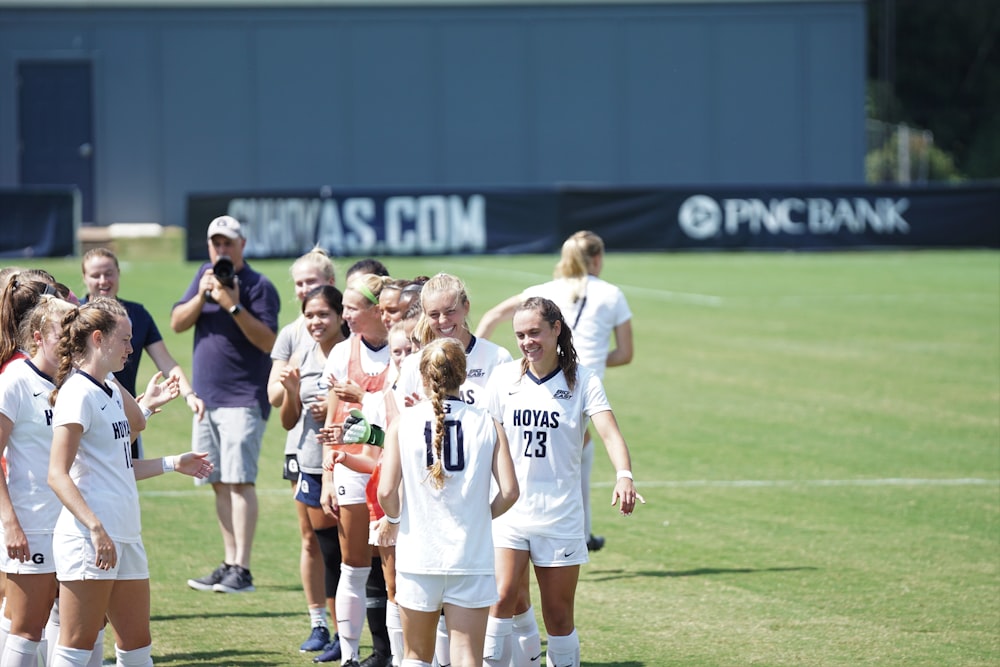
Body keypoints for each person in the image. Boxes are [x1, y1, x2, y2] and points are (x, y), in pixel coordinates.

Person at [45, 297, 213, 667]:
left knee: (137, 646)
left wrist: (173, 463)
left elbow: (120, 466)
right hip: (90, 539)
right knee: (75, 646)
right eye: (124, 339)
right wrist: (95, 527)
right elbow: (57, 474)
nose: (131, 348)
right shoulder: (77, 392)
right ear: (98, 338)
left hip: (126, 535)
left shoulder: (106, 389)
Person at [482, 297, 642, 667]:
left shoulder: (583, 380)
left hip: (560, 517)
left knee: (558, 616)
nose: (526, 342)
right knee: (501, 598)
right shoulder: (504, 378)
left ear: (556, 329)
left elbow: (610, 434)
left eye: (534, 332)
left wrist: (624, 476)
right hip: (507, 512)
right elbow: (485, 437)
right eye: (520, 334)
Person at [476, 230, 634, 552]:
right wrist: (578, 361)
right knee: (574, 447)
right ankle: (582, 530)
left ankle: (574, 530)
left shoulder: (540, 293)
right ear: (598, 259)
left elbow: (492, 315)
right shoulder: (612, 294)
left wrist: (474, 360)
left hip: (547, 373)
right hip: (576, 379)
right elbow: (625, 354)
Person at [375, 338, 519, 667]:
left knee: (415, 656)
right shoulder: (488, 423)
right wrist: (482, 515)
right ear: (464, 375)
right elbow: (510, 491)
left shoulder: (403, 423)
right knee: (467, 656)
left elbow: (386, 492)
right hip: (471, 557)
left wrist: (395, 520)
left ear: (423, 377)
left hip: (417, 557)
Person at [171, 215, 280, 594]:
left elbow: (268, 342)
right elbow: (177, 323)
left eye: (228, 243)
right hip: (206, 398)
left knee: (239, 481)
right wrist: (203, 295)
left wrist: (232, 306)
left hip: (243, 397)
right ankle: (229, 561)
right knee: (217, 481)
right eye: (216, 243)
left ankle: (243, 569)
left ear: (242, 245)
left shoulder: (258, 286)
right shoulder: (204, 275)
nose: (221, 250)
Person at [267, 249, 343, 654]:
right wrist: (294, 388)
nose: (304, 291)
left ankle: (353, 631)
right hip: (305, 451)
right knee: (313, 538)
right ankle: (320, 622)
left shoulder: (343, 334)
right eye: (299, 284)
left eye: (312, 283)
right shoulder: (295, 335)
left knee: (342, 543)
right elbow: (276, 399)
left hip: (343, 454)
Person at [318, 273, 393, 667]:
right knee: (354, 563)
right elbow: (333, 418)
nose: (343, 315)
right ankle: (349, 654)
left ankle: (399, 653)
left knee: (395, 564)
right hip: (351, 465)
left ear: (376, 310)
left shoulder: (402, 348)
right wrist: (328, 476)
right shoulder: (341, 352)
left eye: (350, 308)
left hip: (390, 465)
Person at [80, 248, 205, 458]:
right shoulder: (75, 314)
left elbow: (165, 361)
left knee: (127, 479)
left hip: (127, 415)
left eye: (109, 273)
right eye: (95, 275)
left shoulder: (137, 315)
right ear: (84, 277)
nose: (103, 280)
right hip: (86, 414)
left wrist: (189, 395)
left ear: (118, 273)